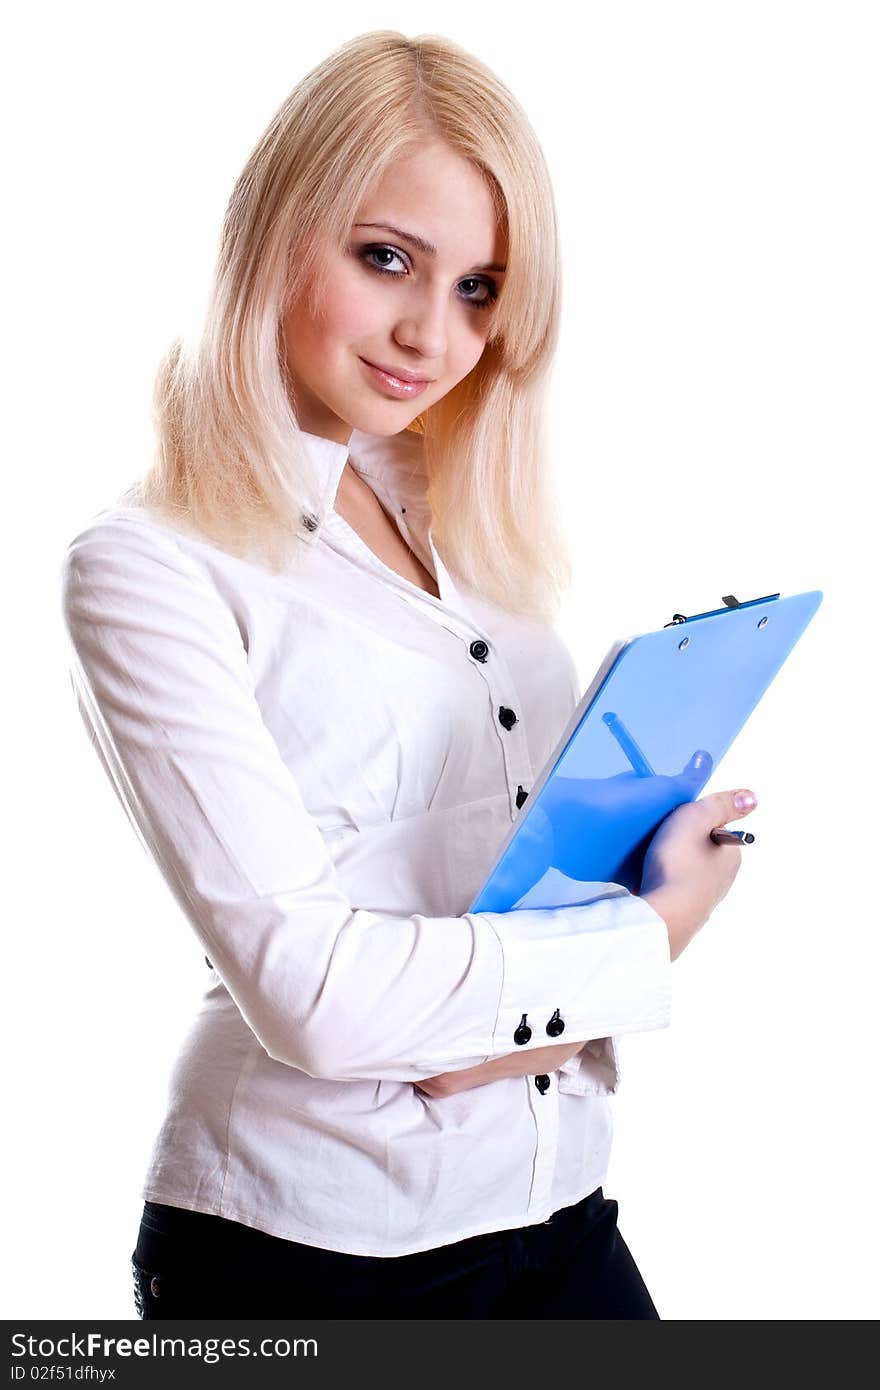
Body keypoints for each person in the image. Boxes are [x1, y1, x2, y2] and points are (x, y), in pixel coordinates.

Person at [59, 30, 756, 1320]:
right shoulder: (149, 567)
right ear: (276, 236)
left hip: (558, 1206)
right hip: (310, 1249)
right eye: (387, 260)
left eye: (481, 289)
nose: (432, 335)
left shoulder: (467, 507)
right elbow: (315, 999)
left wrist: (637, 851)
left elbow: (503, 871)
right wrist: (652, 932)